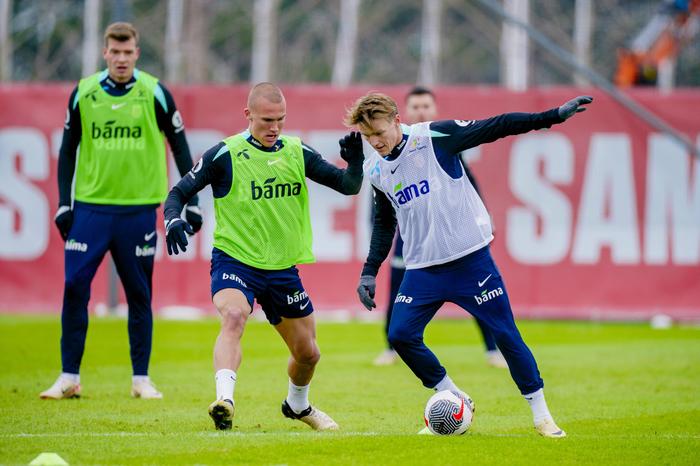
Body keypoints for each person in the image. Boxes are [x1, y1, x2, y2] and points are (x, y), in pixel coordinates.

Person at [349, 92, 593, 438]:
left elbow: (498, 126)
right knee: (400, 335)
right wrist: (369, 270)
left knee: (506, 334)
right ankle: (453, 395)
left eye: (380, 133)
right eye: (368, 137)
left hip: (471, 262)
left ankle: (541, 414)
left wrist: (551, 115)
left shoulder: (436, 137)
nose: (376, 142)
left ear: (397, 122)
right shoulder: (374, 167)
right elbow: (385, 222)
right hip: (423, 270)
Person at [163, 82, 364, 431]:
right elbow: (179, 192)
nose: (274, 128)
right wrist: (172, 219)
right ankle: (225, 400)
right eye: (267, 120)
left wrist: (356, 162)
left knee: (308, 354)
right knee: (235, 316)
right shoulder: (225, 154)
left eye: (281, 120)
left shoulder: (296, 151)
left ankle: (297, 406)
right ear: (248, 115)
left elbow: (348, 185)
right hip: (235, 260)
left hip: (282, 269)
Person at [40, 22, 202, 400]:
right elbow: (67, 151)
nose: (122, 59)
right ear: (105, 53)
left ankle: (140, 379)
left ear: (137, 53)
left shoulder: (156, 92)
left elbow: (180, 148)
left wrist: (190, 199)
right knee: (74, 287)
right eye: (116, 52)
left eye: (129, 52)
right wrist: (65, 203)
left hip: (139, 210)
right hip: (92, 209)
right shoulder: (84, 93)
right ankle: (68, 377)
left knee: (139, 294)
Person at [373, 86, 507, 369]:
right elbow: (383, 202)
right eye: (416, 106)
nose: (421, 111)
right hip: (413, 238)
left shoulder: (439, 142)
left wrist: (484, 216)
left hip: (452, 234)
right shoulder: (388, 153)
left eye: (426, 106)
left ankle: (492, 348)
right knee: (398, 290)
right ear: (405, 113)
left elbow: (467, 179)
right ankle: (390, 346)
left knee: (479, 290)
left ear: (433, 110)